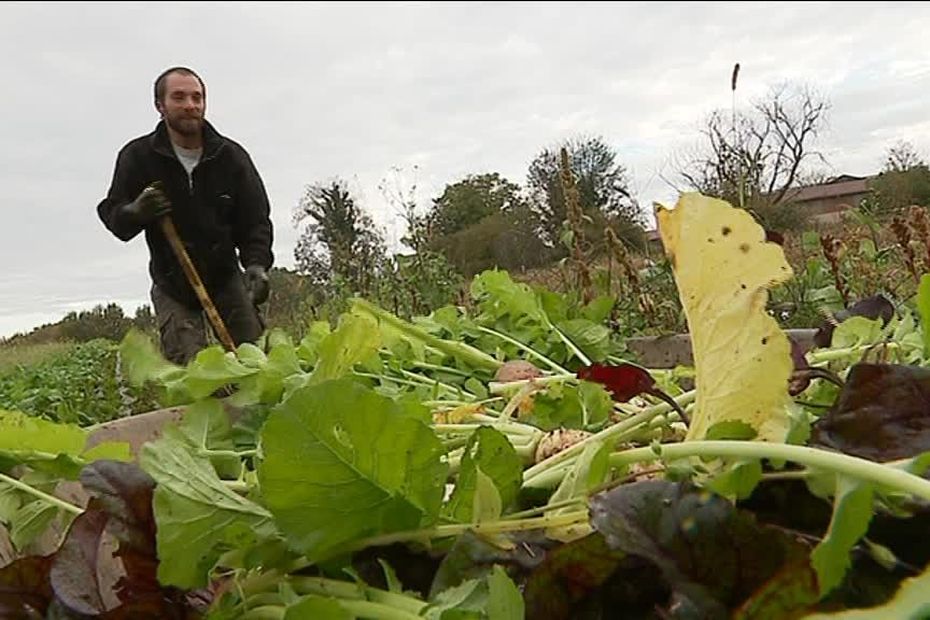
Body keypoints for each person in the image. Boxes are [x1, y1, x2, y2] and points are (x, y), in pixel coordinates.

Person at [97, 66, 274, 365]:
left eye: (197, 97)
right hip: (172, 282)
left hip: (225, 277)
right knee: (193, 374)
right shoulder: (138, 157)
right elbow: (115, 217)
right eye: (179, 97)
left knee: (256, 363)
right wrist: (136, 211)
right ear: (160, 106)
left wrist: (256, 264)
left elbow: (254, 219)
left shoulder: (230, 156)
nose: (191, 105)